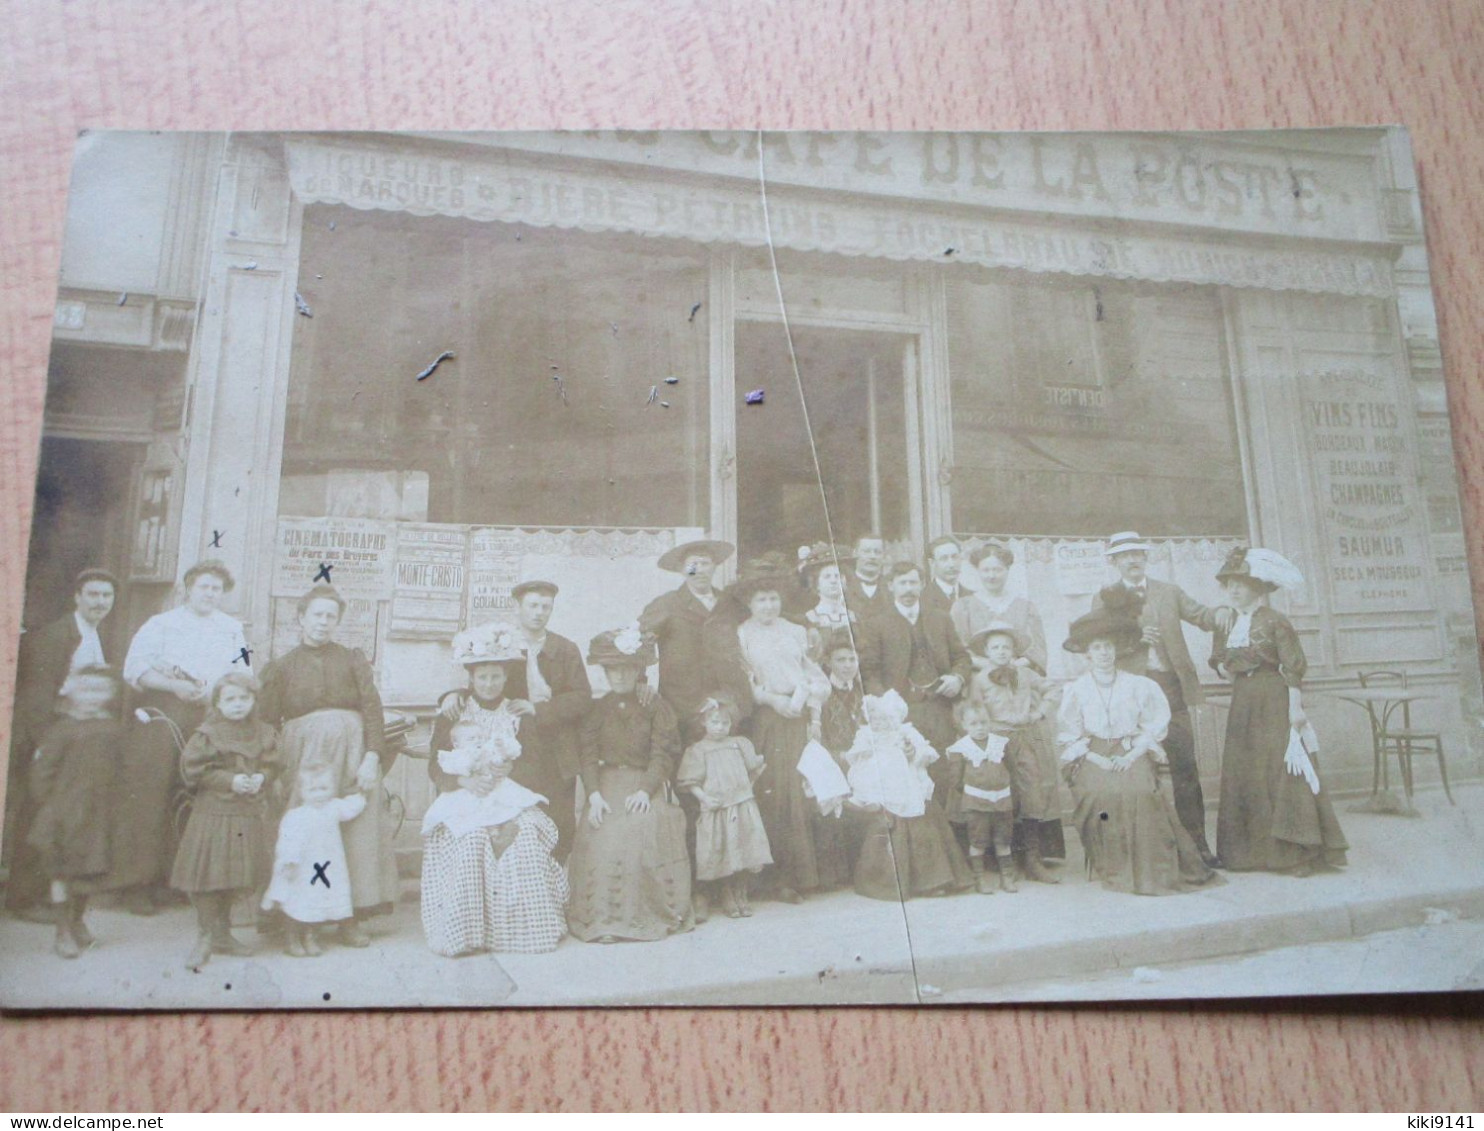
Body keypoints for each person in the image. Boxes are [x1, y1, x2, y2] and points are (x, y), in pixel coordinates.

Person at [257, 585, 398, 946]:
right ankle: (296, 919)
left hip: (354, 751)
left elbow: (372, 709)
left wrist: (372, 756)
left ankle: (348, 918)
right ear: (301, 617)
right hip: (304, 758)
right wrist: (273, 770)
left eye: (330, 616)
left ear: (338, 621)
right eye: (317, 614)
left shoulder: (352, 659)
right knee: (306, 835)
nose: (323, 622)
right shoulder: (282, 666)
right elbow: (267, 722)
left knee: (356, 833)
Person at [114, 559, 251, 914]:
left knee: (195, 795)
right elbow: (136, 669)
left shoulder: (232, 629)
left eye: (216, 588)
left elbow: (243, 671)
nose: (210, 593)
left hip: (211, 716)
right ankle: (137, 886)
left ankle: (177, 880)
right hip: (163, 713)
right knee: (152, 794)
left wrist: (220, 694)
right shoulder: (161, 624)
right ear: (187, 588)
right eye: (203, 586)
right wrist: (174, 685)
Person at [423, 621, 568, 956]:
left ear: (506, 677)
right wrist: (464, 780)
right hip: (465, 795)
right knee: (472, 838)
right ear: (471, 679)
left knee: (526, 834)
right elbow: (435, 763)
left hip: (510, 794)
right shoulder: (454, 712)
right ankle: (468, 933)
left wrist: (511, 768)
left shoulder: (517, 712)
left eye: (496, 676)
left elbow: (536, 763)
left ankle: (523, 930)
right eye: (482, 677)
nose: (489, 684)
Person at [1090, 531, 1232, 868]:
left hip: (1171, 690)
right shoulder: (1105, 598)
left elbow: (1203, 617)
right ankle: (1143, 852)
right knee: (1136, 771)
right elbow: (1097, 643)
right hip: (1130, 694)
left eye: (1137, 553)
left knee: (1185, 767)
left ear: (1145, 557)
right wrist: (1136, 640)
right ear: (1114, 561)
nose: (1132, 560)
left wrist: (1224, 610)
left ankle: (1198, 846)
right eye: (1124, 556)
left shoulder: (1168, 592)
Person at [1056, 610, 1217, 896]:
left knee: (1140, 792)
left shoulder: (1139, 685)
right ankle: (1112, 864)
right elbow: (1070, 734)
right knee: (1100, 795)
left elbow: (1153, 726)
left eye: (1108, 646)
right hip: (1092, 754)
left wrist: (1131, 756)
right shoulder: (1076, 690)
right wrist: (1097, 758)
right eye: (1097, 648)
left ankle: (1151, 868)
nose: (1103, 653)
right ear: (1087, 654)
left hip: (1130, 747)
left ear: (1117, 650)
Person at [1211, 548, 1348, 875]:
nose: (1234, 589)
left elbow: (1292, 667)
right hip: (1243, 701)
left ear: (1258, 586)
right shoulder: (1226, 621)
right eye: (1229, 583)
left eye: (1241, 583)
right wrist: (1224, 666)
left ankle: (1292, 854)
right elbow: (1218, 660)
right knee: (1245, 771)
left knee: (1280, 770)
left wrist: (1295, 709)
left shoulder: (1275, 621)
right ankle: (1247, 855)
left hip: (1275, 698)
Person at [5, 567, 118, 922]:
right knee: (38, 816)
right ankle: (23, 898)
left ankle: (51, 897)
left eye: (106, 596)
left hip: (76, 738)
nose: (100, 602)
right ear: (77, 597)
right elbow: (37, 696)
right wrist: (42, 745)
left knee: (62, 819)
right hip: (49, 737)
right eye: (93, 595)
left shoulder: (100, 636)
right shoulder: (56, 636)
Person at [567, 628, 693, 943]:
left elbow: (662, 754)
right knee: (601, 833)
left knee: (638, 829)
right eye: (613, 670)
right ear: (606, 673)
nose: (620, 676)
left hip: (643, 783)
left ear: (638, 670)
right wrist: (593, 795)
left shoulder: (655, 706)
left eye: (627, 669)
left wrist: (644, 790)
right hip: (607, 785)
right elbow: (588, 755)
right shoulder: (598, 708)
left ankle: (635, 919)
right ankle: (601, 921)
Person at [732, 553, 842, 902]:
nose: (768, 605)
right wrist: (771, 700)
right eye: (761, 599)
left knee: (800, 793)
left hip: (797, 720)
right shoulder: (743, 633)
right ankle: (769, 879)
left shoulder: (796, 632)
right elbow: (744, 680)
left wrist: (811, 715)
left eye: (774, 599)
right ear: (750, 603)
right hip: (767, 718)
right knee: (773, 793)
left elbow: (815, 678)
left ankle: (802, 877)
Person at [169, 672, 282, 969]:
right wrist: (230, 781)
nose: (237, 705)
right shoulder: (207, 734)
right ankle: (205, 936)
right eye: (230, 699)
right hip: (214, 814)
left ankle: (223, 934)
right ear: (217, 703)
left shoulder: (263, 732)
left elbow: (273, 764)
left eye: (244, 698)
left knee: (237, 875)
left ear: (254, 701)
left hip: (247, 815)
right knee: (210, 877)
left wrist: (262, 776)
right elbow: (194, 772)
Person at [26, 666, 127, 958]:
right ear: (71, 692)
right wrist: (52, 806)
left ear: (110, 694)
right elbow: (42, 772)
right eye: (86, 690)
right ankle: (62, 930)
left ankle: (77, 920)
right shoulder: (62, 729)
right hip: (64, 813)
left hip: (98, 814)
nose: (93, 697)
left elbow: (121, 769)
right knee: (62, 873)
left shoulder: (112, 728)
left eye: (100, 690)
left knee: (89, 872)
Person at [840, 690, 972, 900]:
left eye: (885, 718)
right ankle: (889, 882)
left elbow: (925, 753)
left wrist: (912, 753)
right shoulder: (866, 735)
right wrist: (865, 753)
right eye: (875, 718)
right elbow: (855, 757)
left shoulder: (905, 732)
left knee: (923, 824)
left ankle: (933, 880)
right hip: (881, 787)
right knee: (885, 826)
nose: (880, 723)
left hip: (909, 785)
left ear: (895, 718)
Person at [855, 561, 972, 795]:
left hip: (939, 707)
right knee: (906, 771)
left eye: (913, 582)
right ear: (891, 586)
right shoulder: (876, 624)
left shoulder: (940, 618)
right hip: (901, 712)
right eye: (902, 583)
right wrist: (886, 703)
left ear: (921, 585)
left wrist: (957, 678)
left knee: (943, 769)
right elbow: (869, 671)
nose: (908, 589)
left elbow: (962, 657)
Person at [501, 580, 592, 862]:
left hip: (557, 745)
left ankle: (556, 894)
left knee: (559, 822)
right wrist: (450, 696)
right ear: (517, 607)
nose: (539, 613)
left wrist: (540, 709)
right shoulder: (501, 644)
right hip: (514, 748)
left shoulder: (564, 649)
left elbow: (581, 698)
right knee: (517, 821)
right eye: (533, 606)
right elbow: (481, 682)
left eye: (546, 607)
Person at [965, 623, 1062, 883]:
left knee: (1031, 794)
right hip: (995, 742)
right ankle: (1006, 861)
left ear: (1014, 650)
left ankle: (1032, 860)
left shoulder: (1026, 674)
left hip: (1023, 738)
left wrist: (1039, 712)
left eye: (1006, 646)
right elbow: (974, 710)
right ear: (986, 651)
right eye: (995, 647)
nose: (1001, 651)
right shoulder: (979, 679)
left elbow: (1053, 689)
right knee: (1002, 797)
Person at [676, 693, 772, 918]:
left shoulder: (739, 744)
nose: (720, 727)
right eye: (714, 722)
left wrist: (747, 787)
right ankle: (727, 893)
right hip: (717, 807)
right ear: (704, 722)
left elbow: (755, 769)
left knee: (744, 847)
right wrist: (704, 798)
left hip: (741, 806)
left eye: (725, 723)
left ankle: (741, 892)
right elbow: (691, 781)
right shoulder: (699, 750)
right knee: (723, 850)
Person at [261, 766, 367, 957]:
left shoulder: (333, 807)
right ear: (301, 792)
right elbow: (288, 840)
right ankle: (292, 938)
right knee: (297, 900)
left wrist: (363, 793)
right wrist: (290, 861)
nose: (318, 795)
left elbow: (352, 806)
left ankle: (310, 936)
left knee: (317, 900)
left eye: (323, 789)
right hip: (302, 867)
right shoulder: (296, 815)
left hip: (327, 866)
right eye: (312, 790)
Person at [637, 538, 737, 726]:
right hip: (682, 701)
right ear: (682, 570)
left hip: (723, 702)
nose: (699, 570)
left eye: (705, 563)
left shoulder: (728, 603)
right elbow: (639, 639)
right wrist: (640, 680)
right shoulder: (667, 604)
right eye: (692, 565)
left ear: (715, 567)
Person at [944, 701, 1017, 894]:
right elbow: (956, 780)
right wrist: (974, 793)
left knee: (1004, 840)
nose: (980, 728)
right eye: (974, 724)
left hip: (1002, 800)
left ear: (990, 722)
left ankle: (1007, 877)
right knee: (978, 841)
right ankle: (979, 878)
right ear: (964, 725)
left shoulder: (1000, 743)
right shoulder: (960, 748)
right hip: (976, 803)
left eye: (984, 722)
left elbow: (1011, 767)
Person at [951, 541, 1048, 675]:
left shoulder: (1026, 607)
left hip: (1018, 676)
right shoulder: (963, 607)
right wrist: (987, 664)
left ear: (1007, 570)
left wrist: (1015, 664)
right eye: (985, 570)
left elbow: (1038, 649)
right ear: (977, 571)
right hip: (978, 679)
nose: (991, 576)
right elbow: (958, 649)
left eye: (997, 570)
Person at [797, 542, 858, 663]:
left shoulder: (854, 616)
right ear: (816, 583)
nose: (833, 581)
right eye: (827, 577)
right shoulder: (810, 618)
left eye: (838, 576)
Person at [842, 533, 891, 623]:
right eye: (866, 551)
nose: (872, 556)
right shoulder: (843, 586)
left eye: (877, 552)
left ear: (884, 556)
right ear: (855, 553)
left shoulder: (891, 587)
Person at [922, 536, 972, 616]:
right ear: (932, 563)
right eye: (944, 559)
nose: (951, 564)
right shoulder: (922, 599)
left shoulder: (972, 598)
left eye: (955, 557)